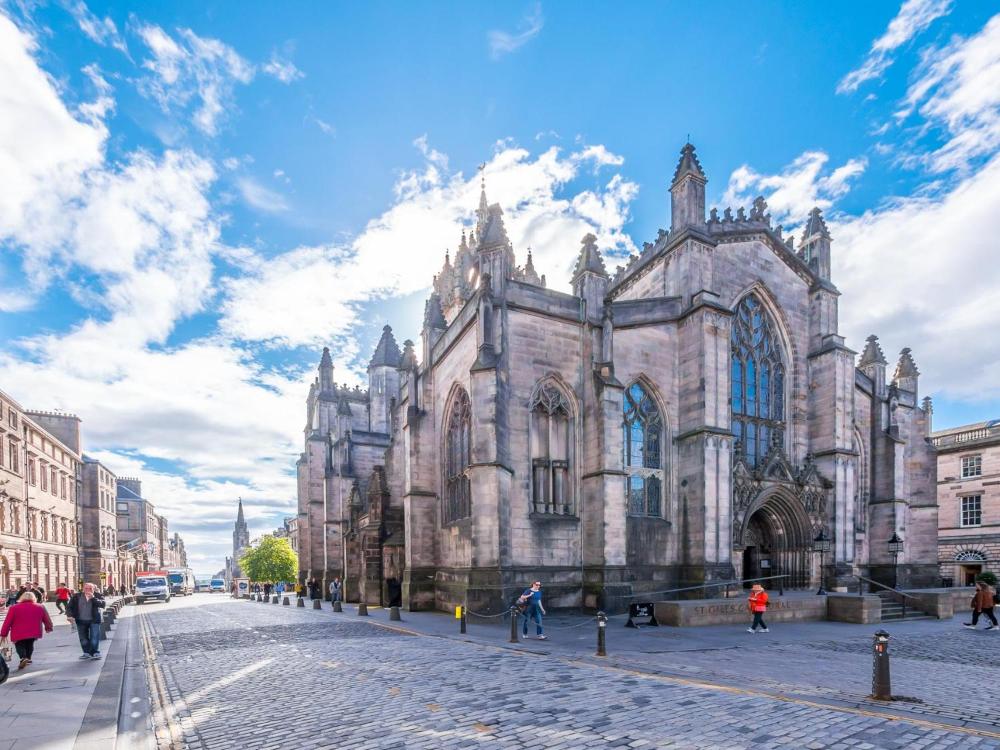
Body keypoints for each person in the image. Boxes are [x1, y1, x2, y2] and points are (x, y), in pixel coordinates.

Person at [0, 591, 53, 670]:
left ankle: (23, 658)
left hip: (18, 632)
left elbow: (8, 621)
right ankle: (28, 658)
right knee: (30, 644)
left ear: (22, 598)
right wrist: (48, 627)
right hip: (34, 631)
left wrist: (3, 633)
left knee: (19, 644)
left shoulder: (14, 608)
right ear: (34, 598)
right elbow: (46, 618)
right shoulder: (40, 607)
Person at [66, 583, 106, 660]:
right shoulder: (76, 596)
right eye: (86, 588)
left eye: (90, 588)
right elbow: (69, 607)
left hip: (94, 620)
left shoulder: (98, 595)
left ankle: (95, 653)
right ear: (83, 589)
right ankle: (86, 653)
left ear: (93, 589)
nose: (88, 590)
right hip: (80, 620)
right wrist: (69, 615)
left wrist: (93, 598)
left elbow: (103, 604)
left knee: (94, 638)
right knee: (83, 639)